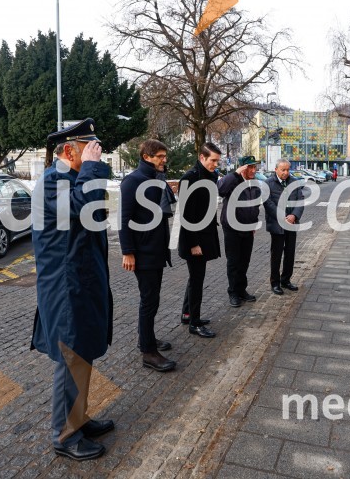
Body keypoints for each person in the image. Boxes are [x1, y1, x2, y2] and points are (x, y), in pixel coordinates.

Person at [30, 118, 114, 461]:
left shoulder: (73, 179)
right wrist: (92, 168)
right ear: (69, 150)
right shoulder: (52, 183)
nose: (95, 154)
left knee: (83, 355)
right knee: (72, 357)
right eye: (88, 148)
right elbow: (80, 208)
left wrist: (91, 168)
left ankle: (78, 419)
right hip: (65, 288)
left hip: (82, 282)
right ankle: (64, 435)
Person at [120, 139, 175, 373]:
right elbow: (123, 218)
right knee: (148, 300)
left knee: (152, 299)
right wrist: (127, 252)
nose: (164, 160)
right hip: (143, 251)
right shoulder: (133, 181)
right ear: (147, 157)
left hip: (156, 248)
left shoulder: (156, 179)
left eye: (164, 156)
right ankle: (148, 353)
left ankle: (147, 339)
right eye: (160, 156)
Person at [177, 143, 222, 338]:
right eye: (212, 160)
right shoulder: (190, 178)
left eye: (217, 161)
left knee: (195, 277)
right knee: (197, 279)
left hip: (205, 234)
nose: (215, 164)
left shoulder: (210, 176)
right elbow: (185, 216)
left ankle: (187, 314)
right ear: (202, 157)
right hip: (194, 239)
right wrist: (193, 243)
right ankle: (194, 322)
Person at [218, 155, 262, 308]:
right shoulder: (233, 182)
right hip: (232, 228)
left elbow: (255, 205)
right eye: (250, 167)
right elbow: (221, 190)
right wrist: (235, 173)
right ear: (243, 168)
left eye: (254, 167)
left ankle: (242, 289)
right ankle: (233, 292)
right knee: (234, 262)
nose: (253, 170)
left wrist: (254, 223)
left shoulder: (255, 184)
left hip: (248, 228)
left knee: (245, 261)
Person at [264, 159, 304, 295]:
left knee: (290, 253)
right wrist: (281, 217)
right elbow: (268, 203)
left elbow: (300, 201)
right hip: (277, 225)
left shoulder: (294, 182)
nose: (286, 172)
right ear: (276, 169)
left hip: (291, 224)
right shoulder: (268, 184)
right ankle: (275, 283)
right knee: (276, 254)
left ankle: (286, 280)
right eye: (283, 170)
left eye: (288, 169)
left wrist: (294, 216)